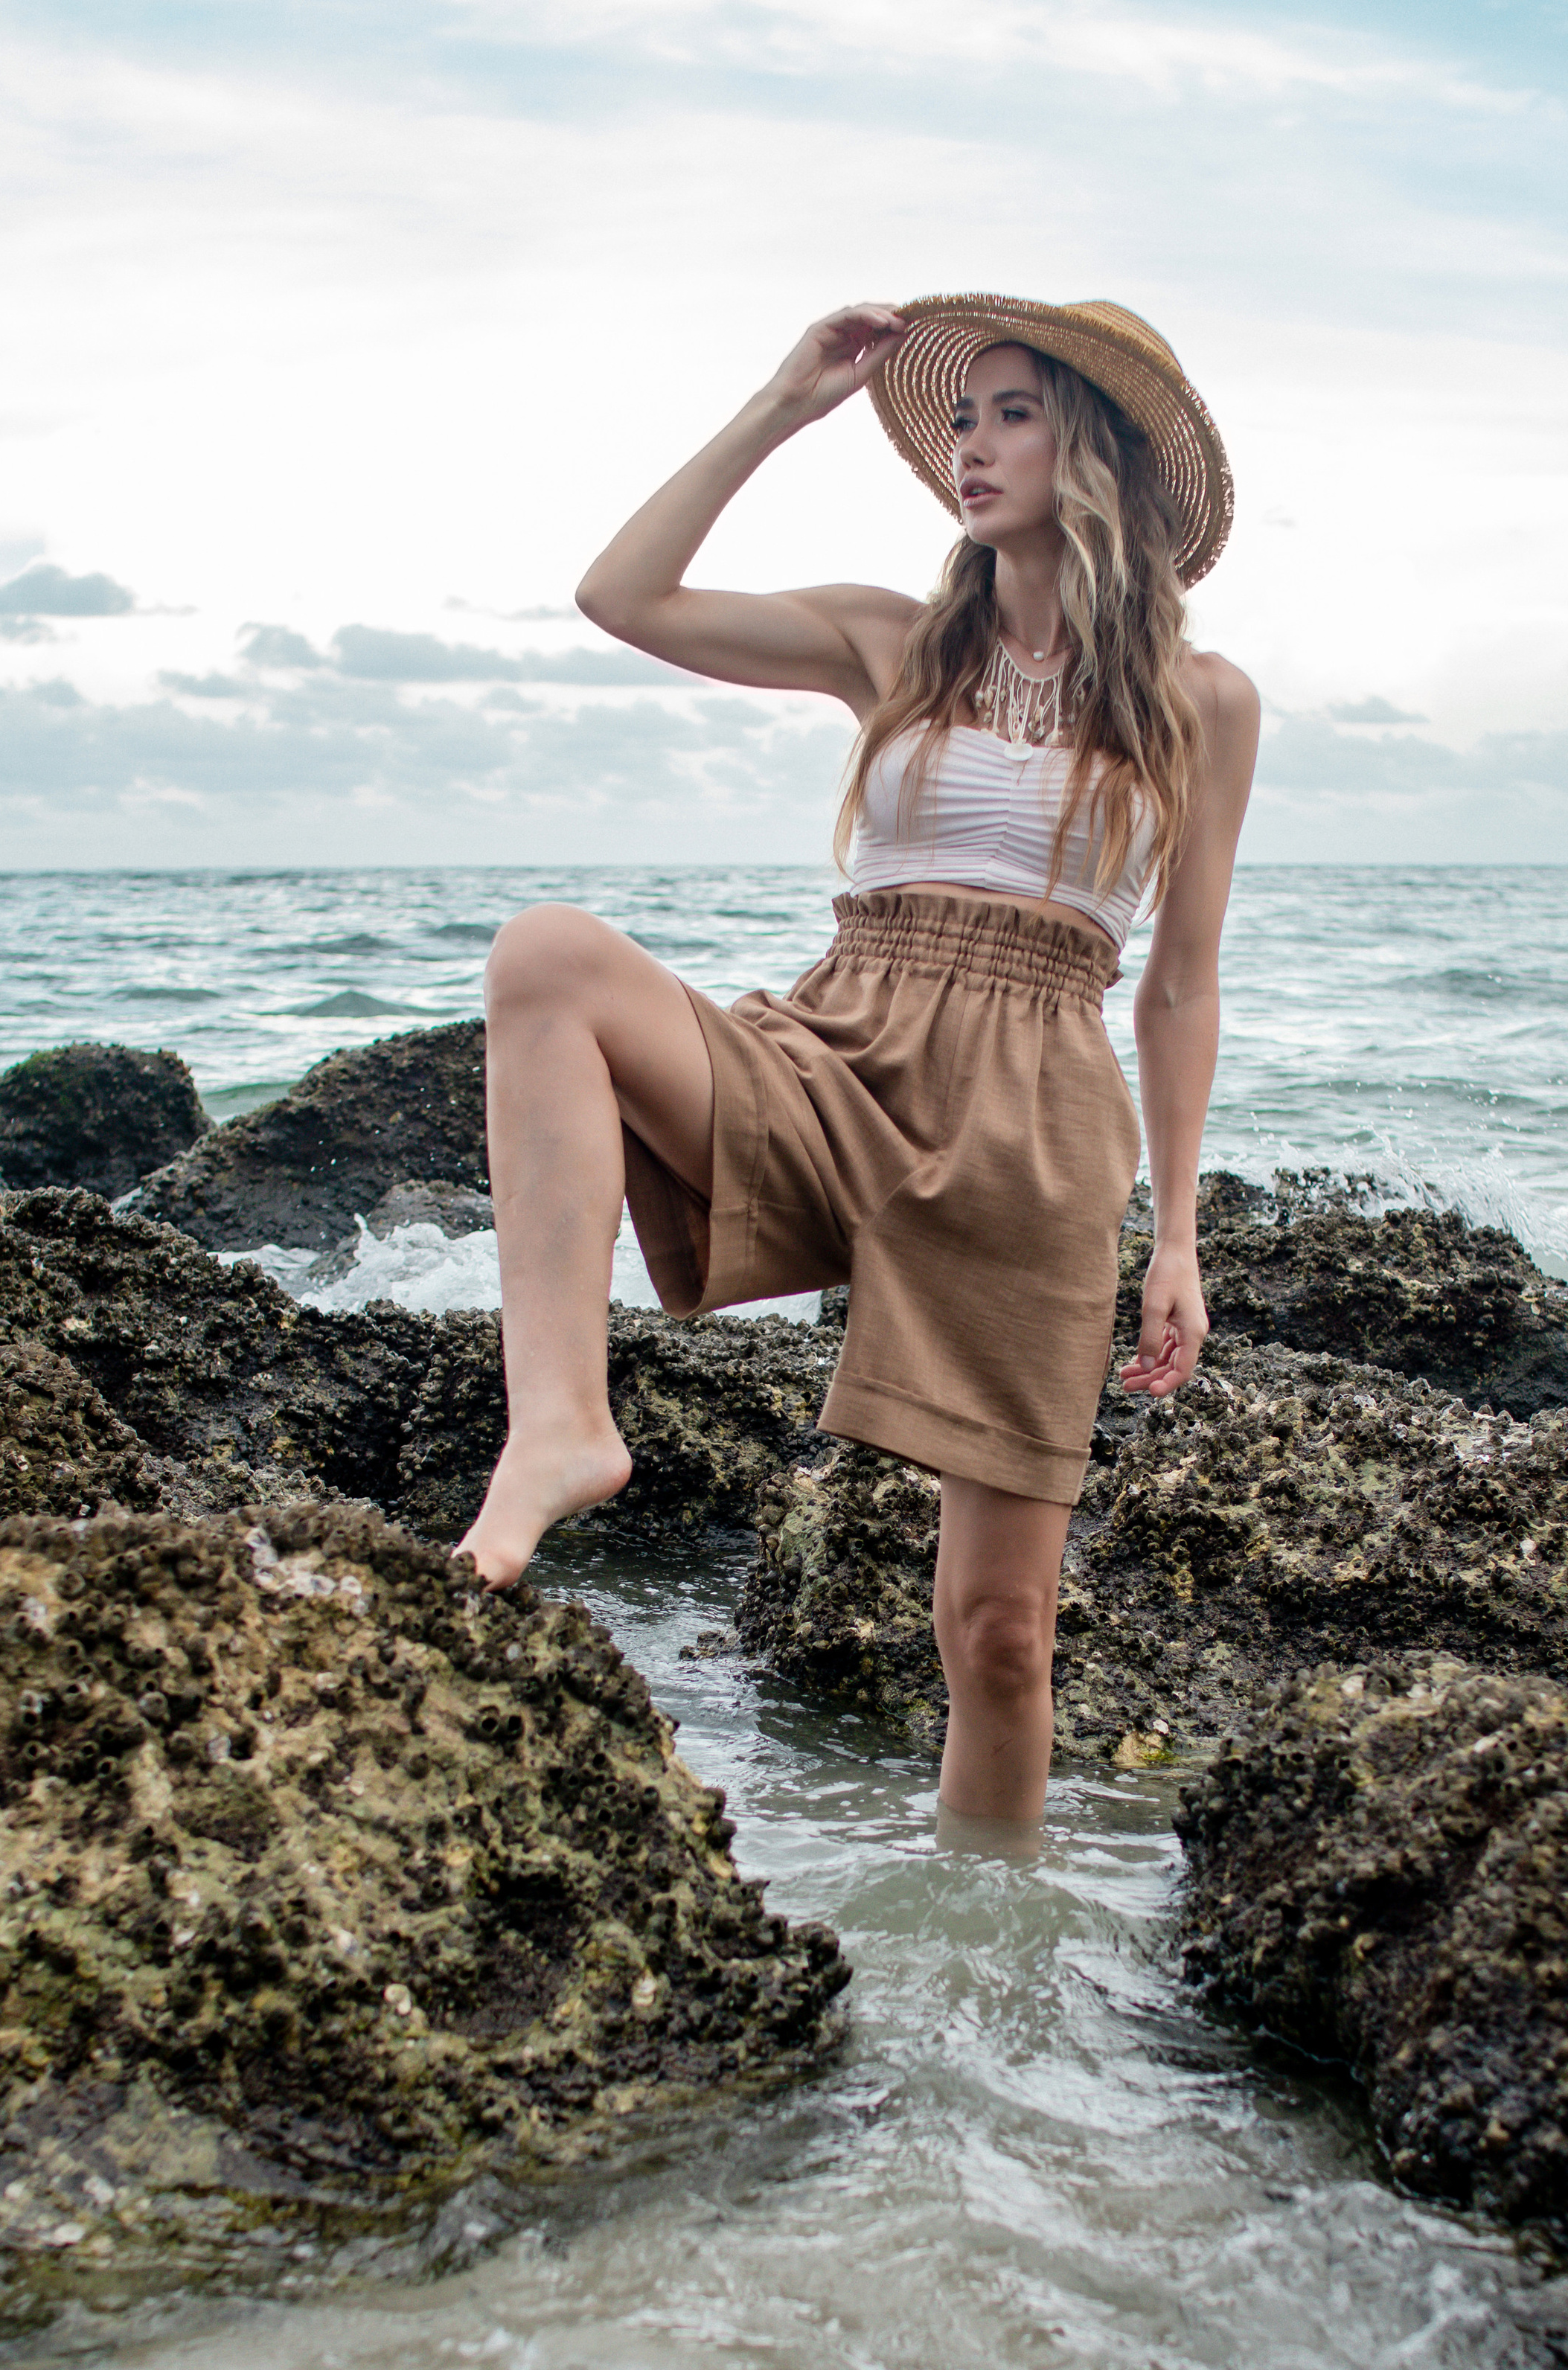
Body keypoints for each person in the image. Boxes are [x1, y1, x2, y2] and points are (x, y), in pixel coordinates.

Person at [456, 292, 1261, 1828]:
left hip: (1036, 1130)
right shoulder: (888, 641)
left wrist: (1177, 1238)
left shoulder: (1201, 701)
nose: (972, 445)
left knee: (1001, 1636)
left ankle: (986, 1937)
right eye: (962, 417)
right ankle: (558, 1423)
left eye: (1013, 414)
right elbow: (622, 594)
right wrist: (781, 403)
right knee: (545, 958)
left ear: (1096, 450)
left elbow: (1180, 984)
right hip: (840, 1053)